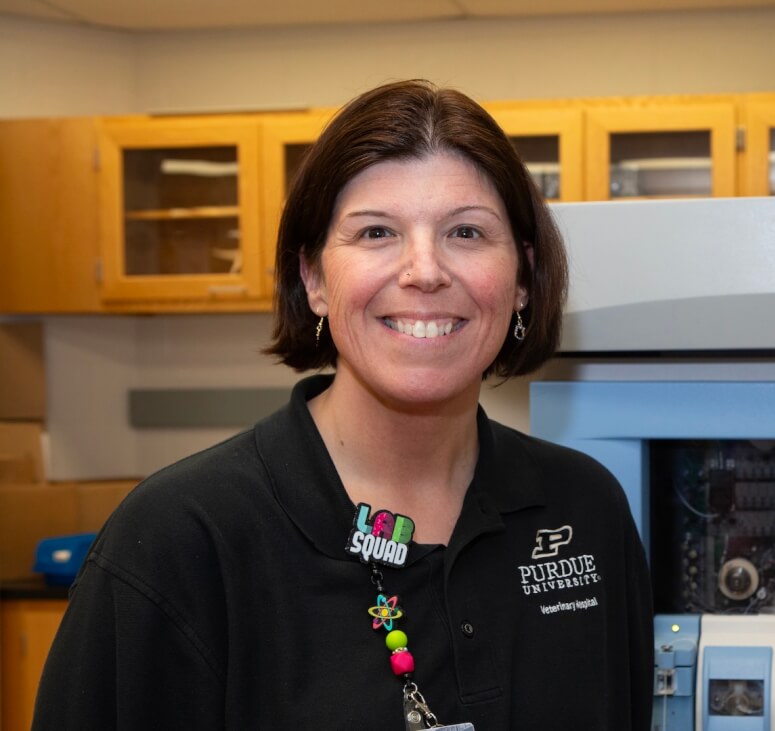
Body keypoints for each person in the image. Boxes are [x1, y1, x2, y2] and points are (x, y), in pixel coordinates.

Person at [33, 80, 653, 730]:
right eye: (377, 231)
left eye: (466, 232)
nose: (424, 270)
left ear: (523, 279)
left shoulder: (585, 509)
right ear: (313, 278)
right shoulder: (181, 539)